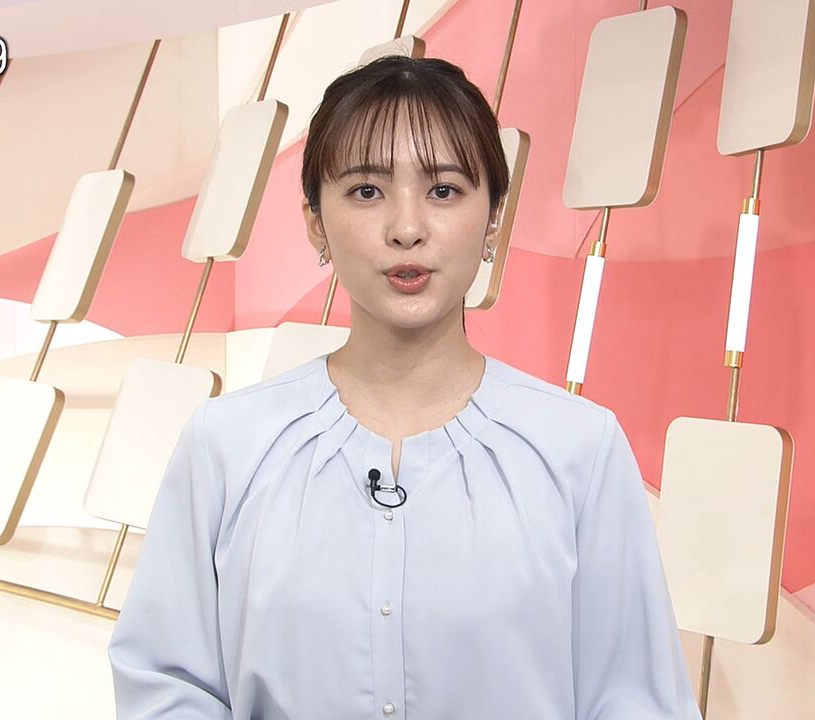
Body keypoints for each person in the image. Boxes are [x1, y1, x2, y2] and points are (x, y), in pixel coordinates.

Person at [108, 54, 701, 720]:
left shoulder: (579, 450)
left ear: (494, 216)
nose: (407, 228)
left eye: (444, 190)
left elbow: (635, 699)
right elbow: (166, 686)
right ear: (315, 221)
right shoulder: (227, 444)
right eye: (367, 191)